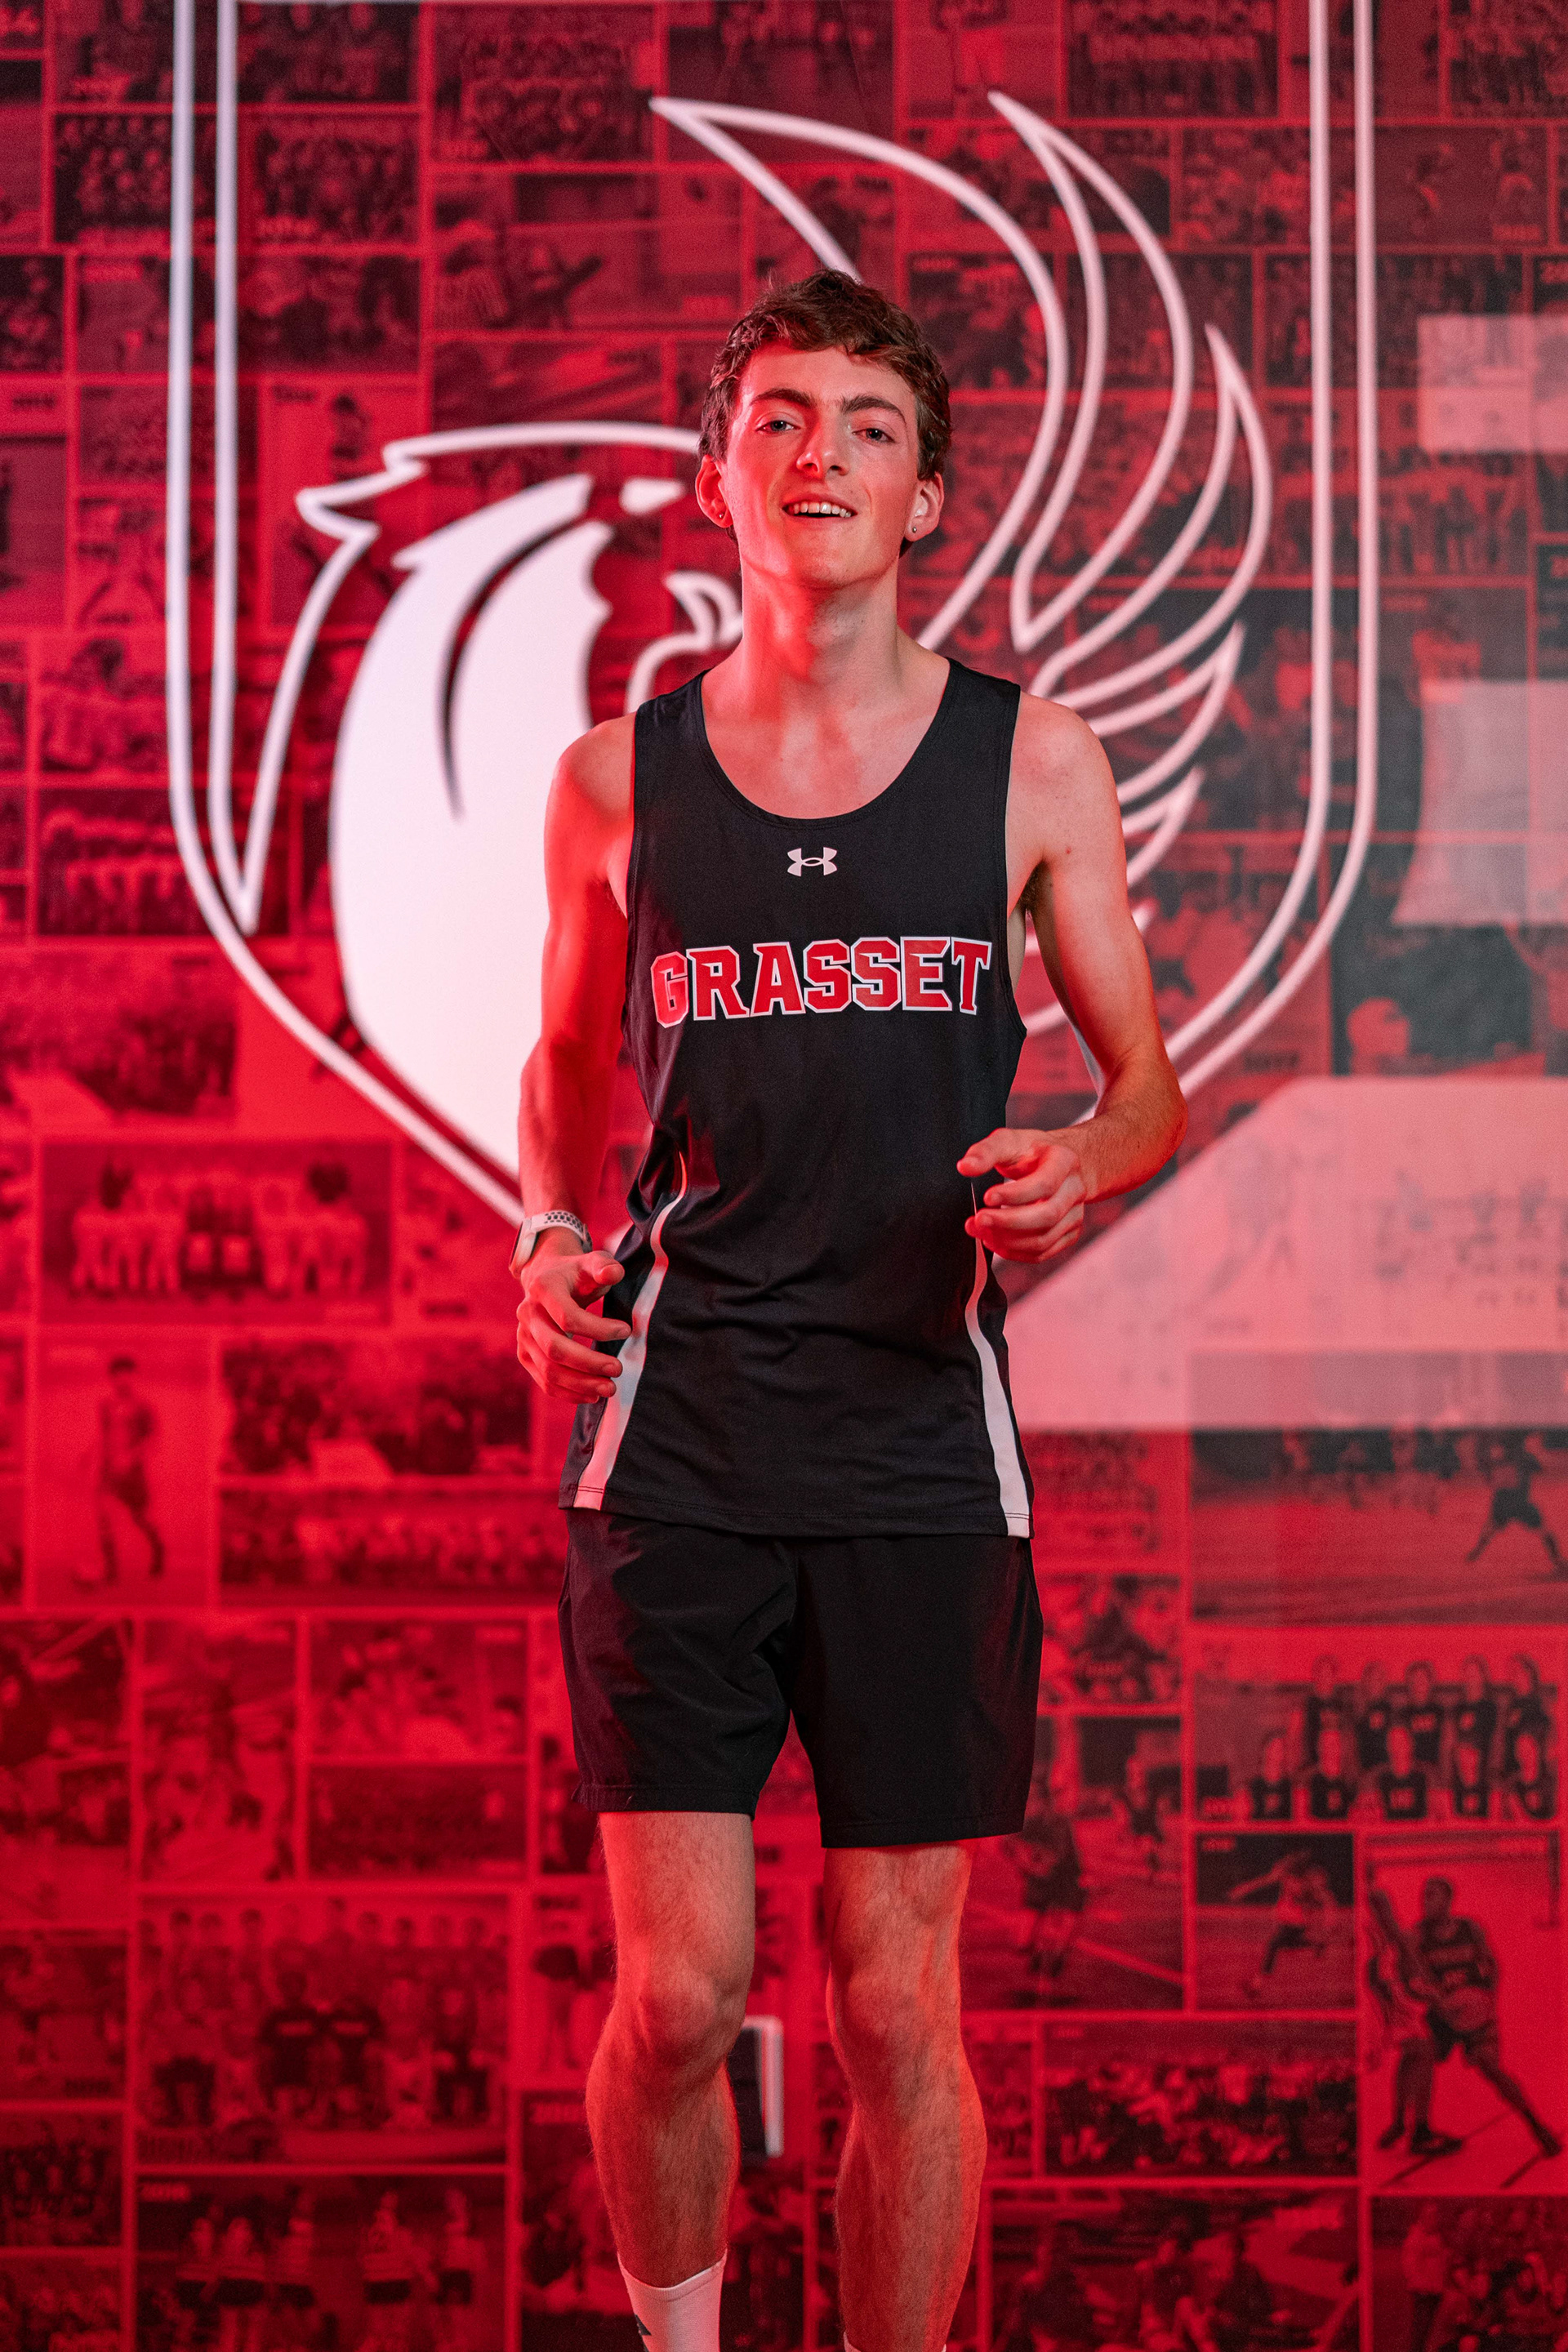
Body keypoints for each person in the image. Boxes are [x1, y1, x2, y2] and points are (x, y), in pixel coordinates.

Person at [510, 270, 1185, 2352]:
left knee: (896, 2004)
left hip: (916, 1440)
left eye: (870, 428)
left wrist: (1083, 1160)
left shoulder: (1029, 762)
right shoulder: (616, 779)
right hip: (682, 1439)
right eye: (780, 419)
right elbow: (562, 1064)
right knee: (681, 1997)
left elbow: (1147, 1087)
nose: (822, 455)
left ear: (928, 497)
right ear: (718, 478)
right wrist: (542, 1229)